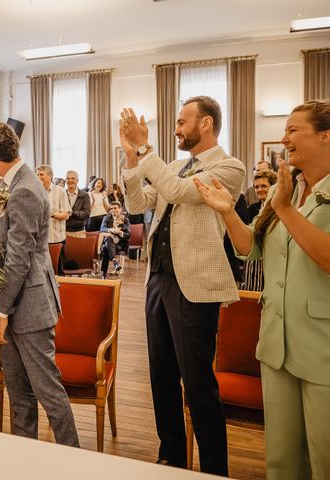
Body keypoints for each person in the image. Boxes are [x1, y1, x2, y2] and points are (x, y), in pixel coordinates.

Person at [194, 100, 330, 480]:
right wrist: (226, 211)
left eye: (293, 130)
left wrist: (285, 209)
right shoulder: (284, 190)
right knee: (281, 461)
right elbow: (250, 248)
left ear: (325, 135)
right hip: (276, 342)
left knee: (324, 458)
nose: (283, 139)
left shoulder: (283, 196)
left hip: (322, 346)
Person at [119, 96, 245, 476]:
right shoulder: (172, 164)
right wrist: (131, 159)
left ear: (205, 124)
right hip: (158, 279)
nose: (175, 130)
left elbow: (180, 192)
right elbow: (138, 203)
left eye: (181, 122)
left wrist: (145, 148)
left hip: (195, 284)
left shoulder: (229, 166)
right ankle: (170, 457)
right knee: (161, 376)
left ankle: (212, 469)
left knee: (198, 383)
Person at [0, 122, 79, 447]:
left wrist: (0, 310)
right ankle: (25, 457)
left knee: (49, 393)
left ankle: (74, 459)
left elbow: (19, 258)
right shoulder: (20, 182)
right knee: (19, 395)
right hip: (17, 302)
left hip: (28, 307)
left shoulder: (25, 190)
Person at [37, 164, 69, 275]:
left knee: (58, 273)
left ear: (50, 176)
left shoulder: (60, 191)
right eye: (37, 174)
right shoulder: (35, 191)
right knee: (41, 273)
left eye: (41, 174)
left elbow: (66, 215)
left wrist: (50, 214)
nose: (38, 177)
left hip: (56, 239)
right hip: (39, 240)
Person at [99, 200, 130, 278]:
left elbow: (128, 234)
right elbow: (102, 228)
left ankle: (104, 274)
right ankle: (115, 262)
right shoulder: (106, 218)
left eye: (115, 208)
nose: (113, 210)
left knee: (106, 248)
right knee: (108, 241)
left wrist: (120, 231)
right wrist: (111, 230)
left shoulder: (125, 220)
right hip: (109, 242)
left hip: (119, 244)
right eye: (111, 208)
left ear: (120, 209)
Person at [64, 170, 91, 238]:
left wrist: (72, 213)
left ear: (77, 180)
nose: (70, 180)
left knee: (79, 249)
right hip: (63, 232)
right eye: (68, 178)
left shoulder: (85, 195)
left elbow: (86, 213)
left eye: (73, 178)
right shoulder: (62, 194)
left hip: (79, 232)